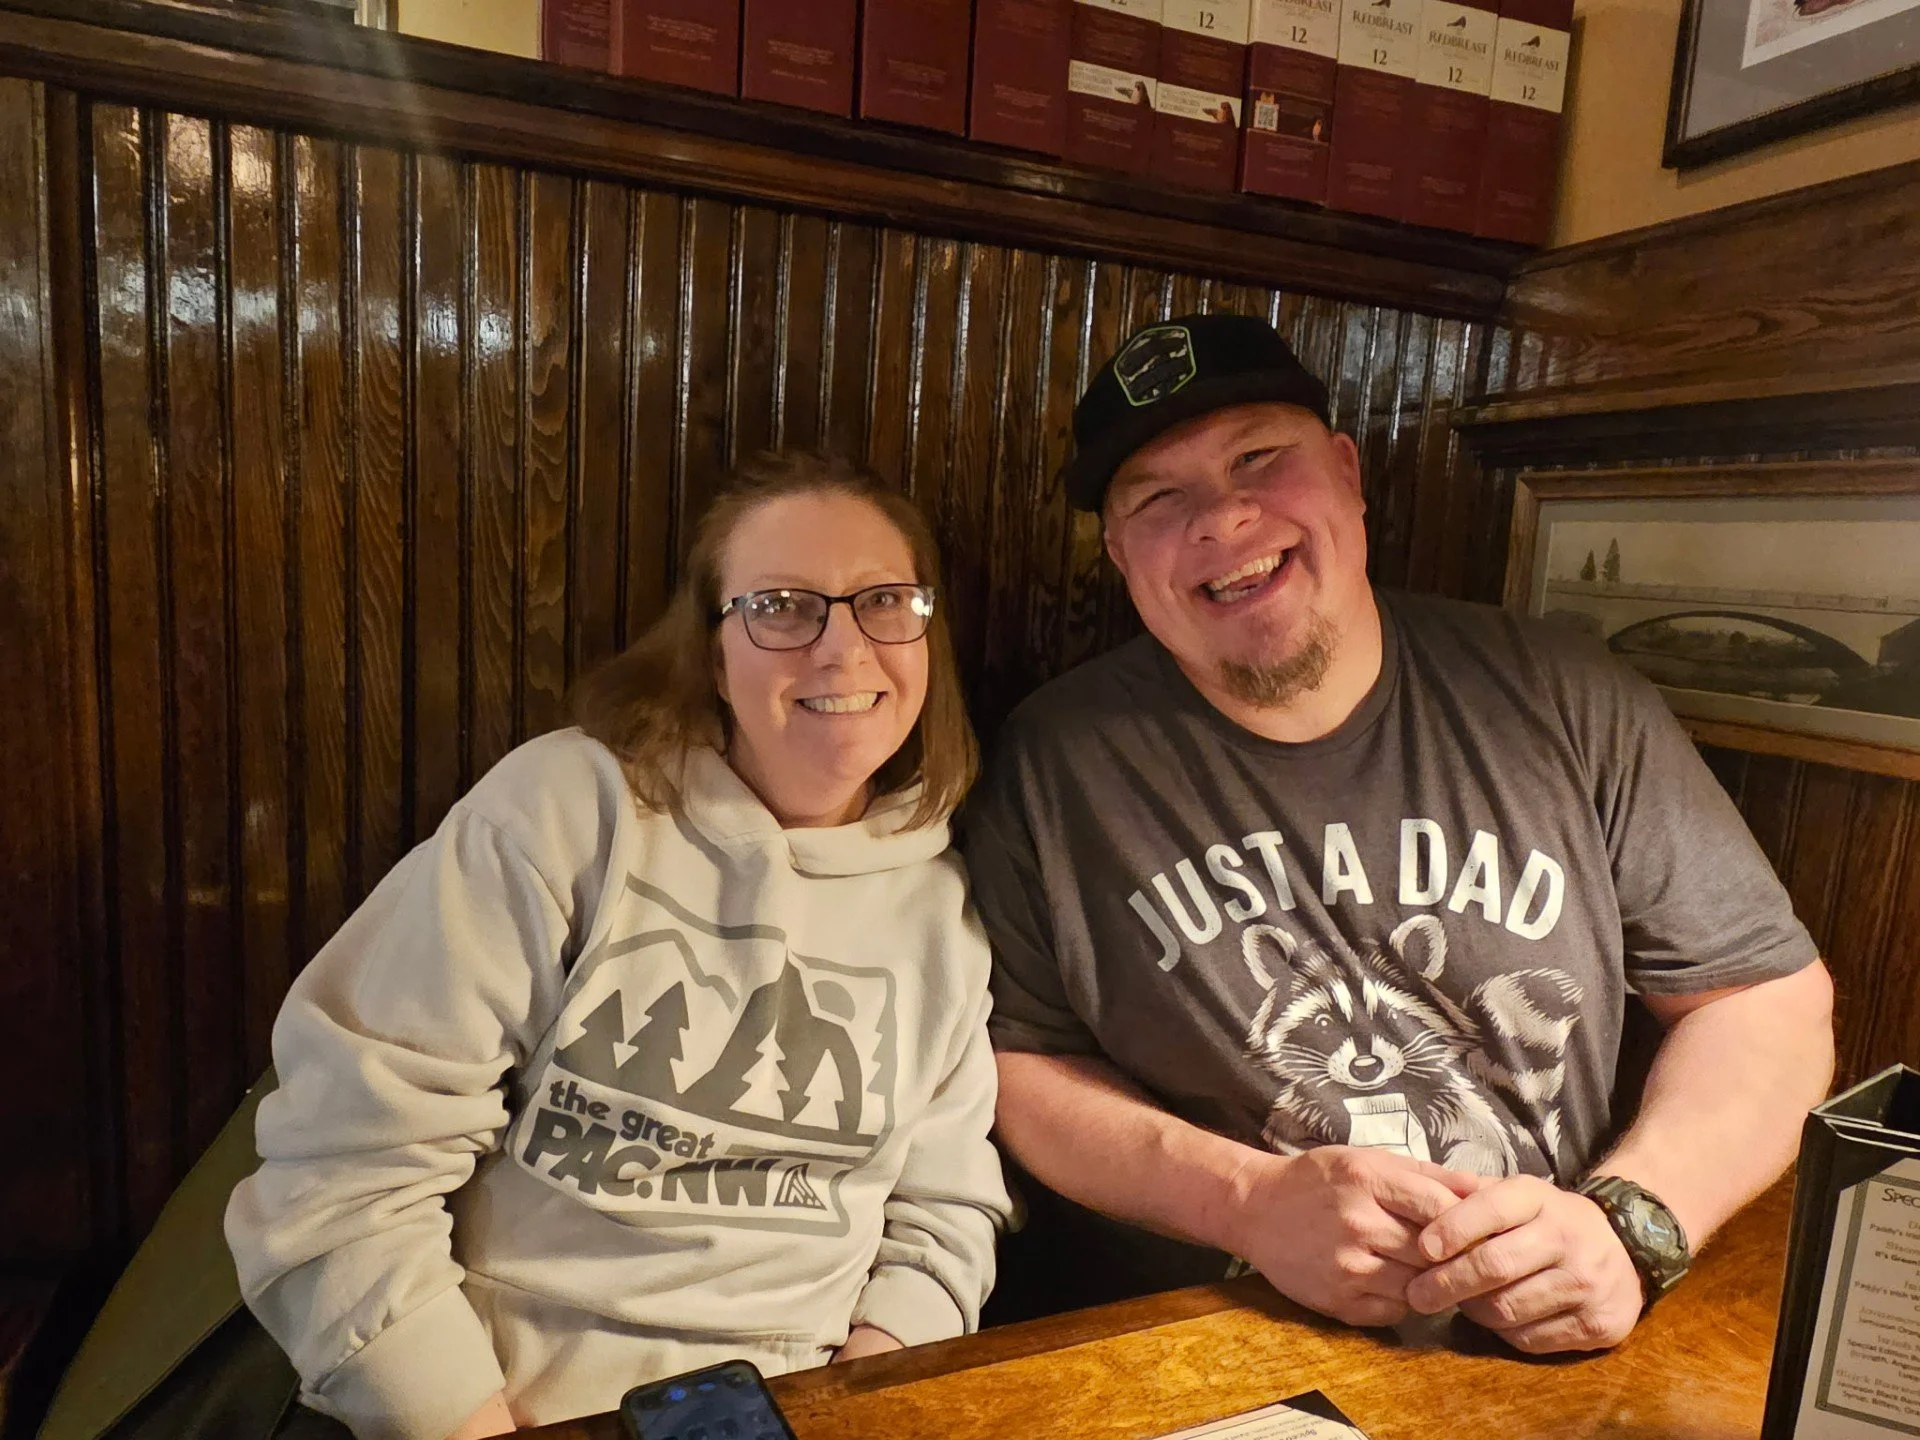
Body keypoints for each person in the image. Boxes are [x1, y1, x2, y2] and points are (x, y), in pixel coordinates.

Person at [963, 313, 1835, 1356]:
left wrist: (1634, 1221)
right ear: (1116, 553)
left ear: (1346, 472)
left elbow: (1762, 999)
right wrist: (1247, 1201)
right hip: (1210, 1346)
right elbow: (1021, 1066)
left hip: (1546, 1347)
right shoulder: (1053, 760)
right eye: (1160, 497)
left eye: (1258, 457)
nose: (1225, 516)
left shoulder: (1565, 695)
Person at [226, 453, 1013, 1440]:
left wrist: (863, 1401)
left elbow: (944, 1214)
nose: (843, 650)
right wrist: (463, 1419)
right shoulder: (567, 811)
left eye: (884, 601)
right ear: (712, 650)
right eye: (782, 606)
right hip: (499, 1406)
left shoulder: (945, 902)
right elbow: (344, 1172)